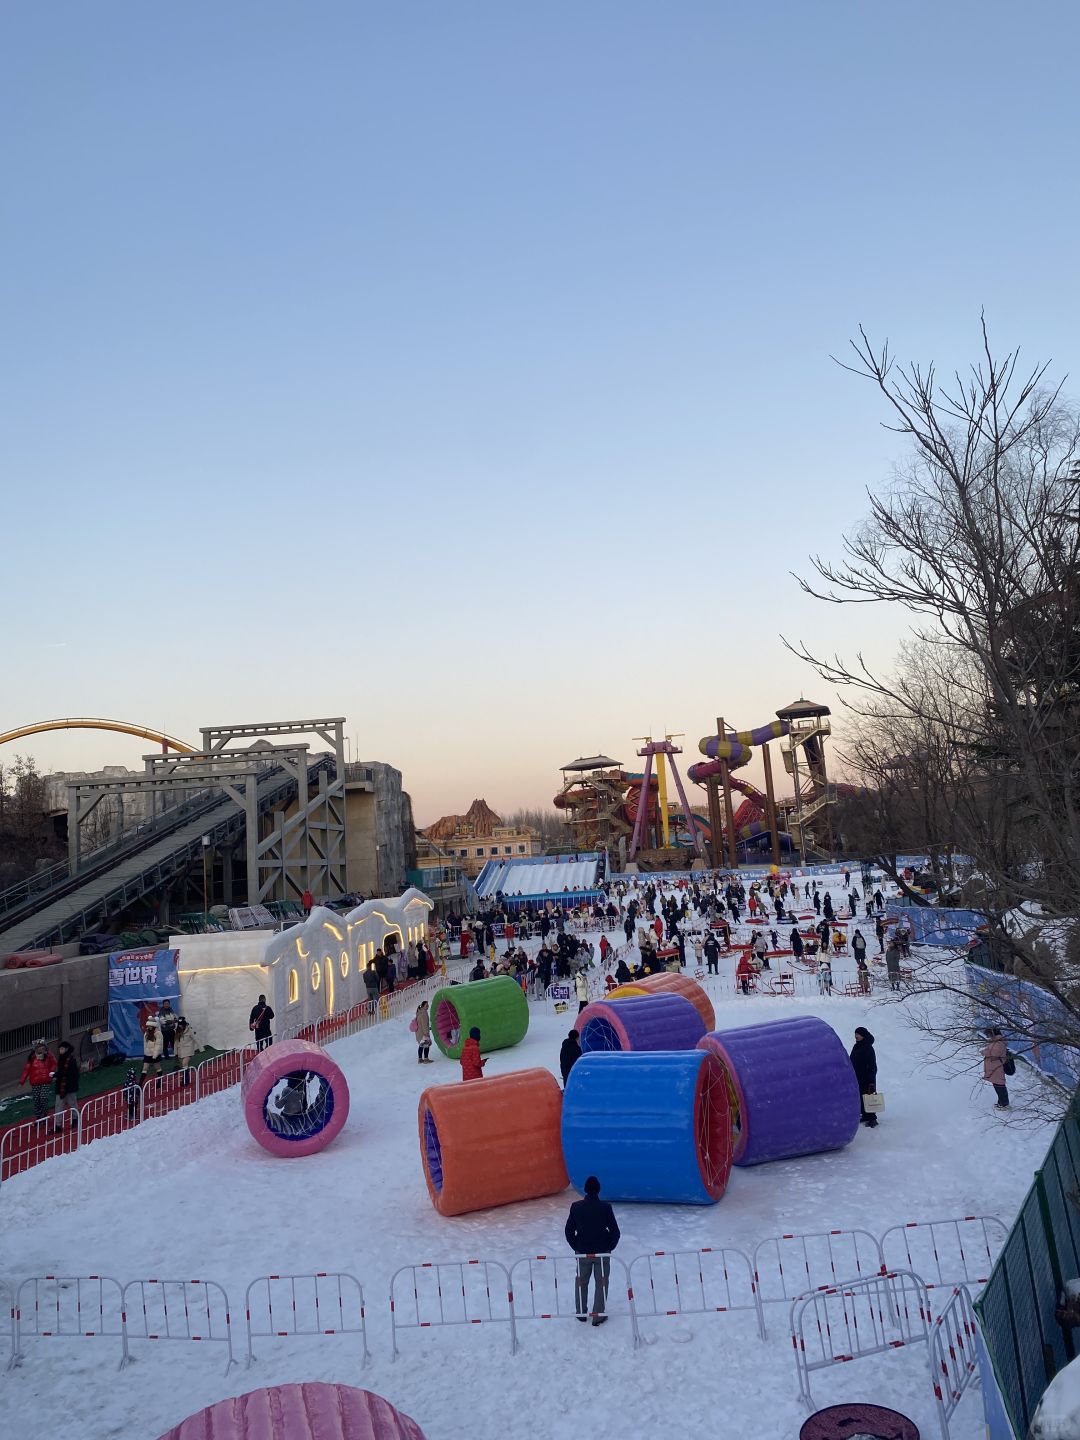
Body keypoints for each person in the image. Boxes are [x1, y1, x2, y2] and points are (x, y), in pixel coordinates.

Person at [565, 1176, 621, 1325]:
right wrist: (609, 1246)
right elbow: (615, 1232)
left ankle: (581, 1313)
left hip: (583, 1252)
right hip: (602, 1253)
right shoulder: (605, 1208)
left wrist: (576, 1246)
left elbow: (568, 1230)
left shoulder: (576, 1207)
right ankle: (598, 1315)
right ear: (599, 1190)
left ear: (585, 1190)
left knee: (581, 1282)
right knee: (601, 1283)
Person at [20, 1040, 57, 1121]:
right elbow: (27, 1069)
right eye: (39, 1047)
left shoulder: (48, 1055)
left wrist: (51, 1071)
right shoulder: (32, 1057)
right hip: (35, 1082)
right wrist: (22, 1080)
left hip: (45, 1080)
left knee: (43, 1097)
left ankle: (45, 1114)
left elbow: (54, 1063)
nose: (41, 1048)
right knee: (37, 1100)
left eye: (42, 1047)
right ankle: (38, 1116)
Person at [850, 1027, 878, 1127]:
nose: (856, 1036)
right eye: (855, 1034)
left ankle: (872, 1119)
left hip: (866, 1078)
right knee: (861, 1097)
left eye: (858, 1034)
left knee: (869, 1097)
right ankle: (865, 1115)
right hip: (857, 1076)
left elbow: (872, 1065)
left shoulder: (868, 1048)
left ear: (863, 1035)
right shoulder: (857, 1046)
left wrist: (871, 1080)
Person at [52, 1040, 80, 1130]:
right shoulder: (61, 1059)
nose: (60, 1050)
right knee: (58, 1106)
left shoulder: (71, 1060)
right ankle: (58, 1125)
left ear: (66, 1049)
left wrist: (56, 1074)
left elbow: (67, 1073)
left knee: (72, 1104)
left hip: (69, 1087)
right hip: (61, 1087)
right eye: (60, 1048)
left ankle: (75, 1120)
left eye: (62, 1048)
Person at [983, 1027, 1010, 1109]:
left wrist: (984, 1051)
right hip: (994, 1067)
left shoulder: (998, 1043)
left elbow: (993, 1052)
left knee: (999, 1085)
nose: (988, 1037)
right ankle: (1001, 1102)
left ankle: (1004, 1104)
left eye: (989, 1035)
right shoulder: (996, 1042)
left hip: (997, 1067)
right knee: (997, 1085)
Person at [174, 1018, 197, 1085]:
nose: (180, 1026)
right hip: (180, 1050)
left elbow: (195, 1039)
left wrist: (201, 1048)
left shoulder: (190, 1030)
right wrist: (175, 1052)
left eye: (181, 1024)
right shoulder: (177, 1031)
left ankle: (184, 1080)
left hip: (188, 1050)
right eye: (179, 1024)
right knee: (184, 1066)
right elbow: (176, 1042)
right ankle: (186, 1080)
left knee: (184, 1064)